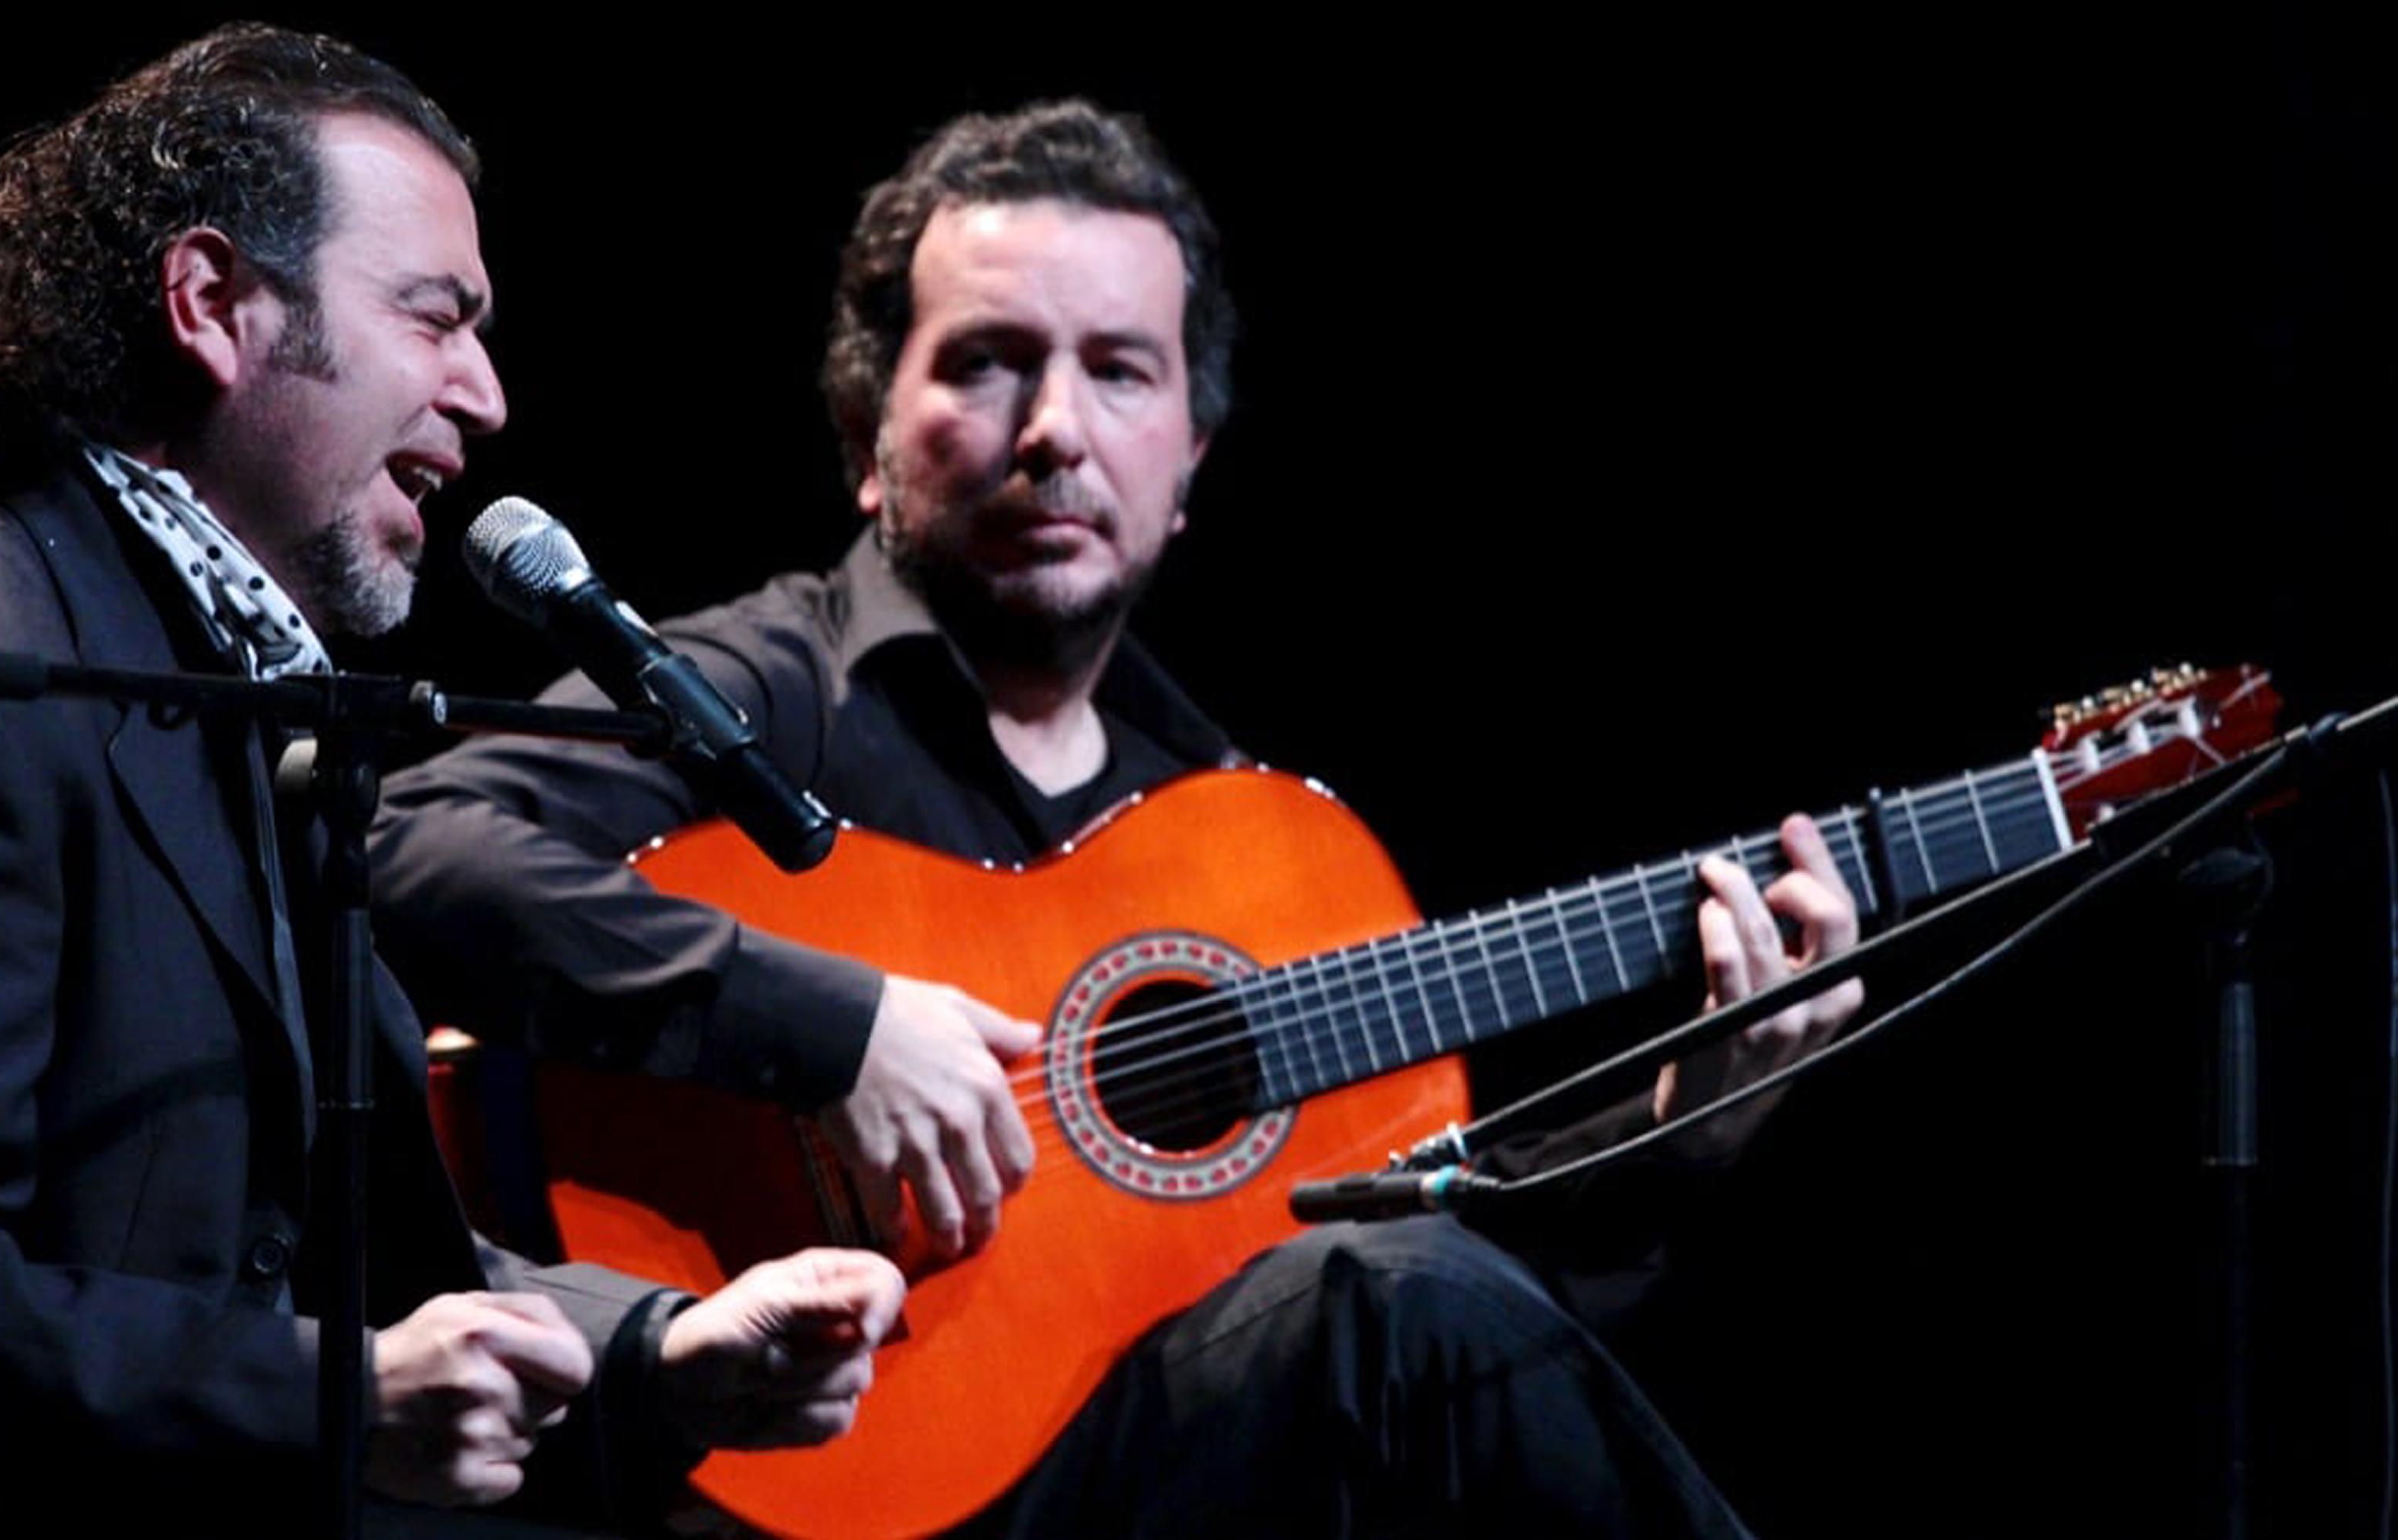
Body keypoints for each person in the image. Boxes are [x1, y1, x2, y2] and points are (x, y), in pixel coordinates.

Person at [371, 101, 1860, 1536]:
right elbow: (403, 841)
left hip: (1157, 1467)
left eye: (1123, 371)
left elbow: (1455, 1312)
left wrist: (1681, 1124)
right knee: (1381, 1303)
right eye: (993, 362)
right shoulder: (765, 685)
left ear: (1193, 459)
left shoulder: (1237, 834)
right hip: (813, 1459)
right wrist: (836, 1029)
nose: (1056, 432)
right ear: (861, 430)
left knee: (1403, 1303)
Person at [0, 26, 902, 1540]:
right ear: (213, 304)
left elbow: (350, 1262)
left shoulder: (217, 664)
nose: (486, 395)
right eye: (434, 318)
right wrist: (336, 1402)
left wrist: (654, 1355)